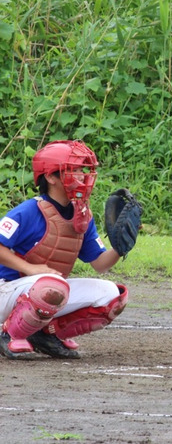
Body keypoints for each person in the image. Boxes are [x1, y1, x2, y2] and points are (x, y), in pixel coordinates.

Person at [0, 140, 133, 359]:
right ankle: (10, 334)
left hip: (44, 291)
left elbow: (100, 264)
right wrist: (29, 268)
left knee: (112, 296)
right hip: (6, 291)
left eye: (83, 171)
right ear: (51, 177)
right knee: (52, 286)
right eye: (73, 171)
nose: (82, 177)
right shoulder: (29, 211)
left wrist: (120, 247)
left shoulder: (81, 215)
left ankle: (44, 334)